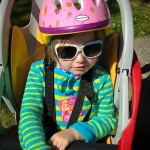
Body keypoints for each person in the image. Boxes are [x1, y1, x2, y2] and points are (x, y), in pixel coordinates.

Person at [18, 0, 117, 150]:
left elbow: (107, 119)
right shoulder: (39, 73)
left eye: (92, 49)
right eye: (67, 51)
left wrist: (74, 133)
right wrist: (37, 146)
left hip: (82, 143)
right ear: (52, 48)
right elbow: (30, 113)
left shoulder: (100, 78)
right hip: (43, 140)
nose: (80, 59)